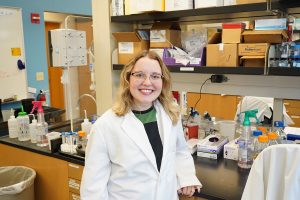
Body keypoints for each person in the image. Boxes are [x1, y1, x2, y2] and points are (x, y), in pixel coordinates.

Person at [80, 50, 202, 200]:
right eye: (139, 75)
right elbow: (93, 188)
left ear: (163, 81)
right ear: (127, 78)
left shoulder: (170, 115)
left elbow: (180, 151)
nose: (147, 82)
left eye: (155, 76)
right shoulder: (105, 126)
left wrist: (186, 177)